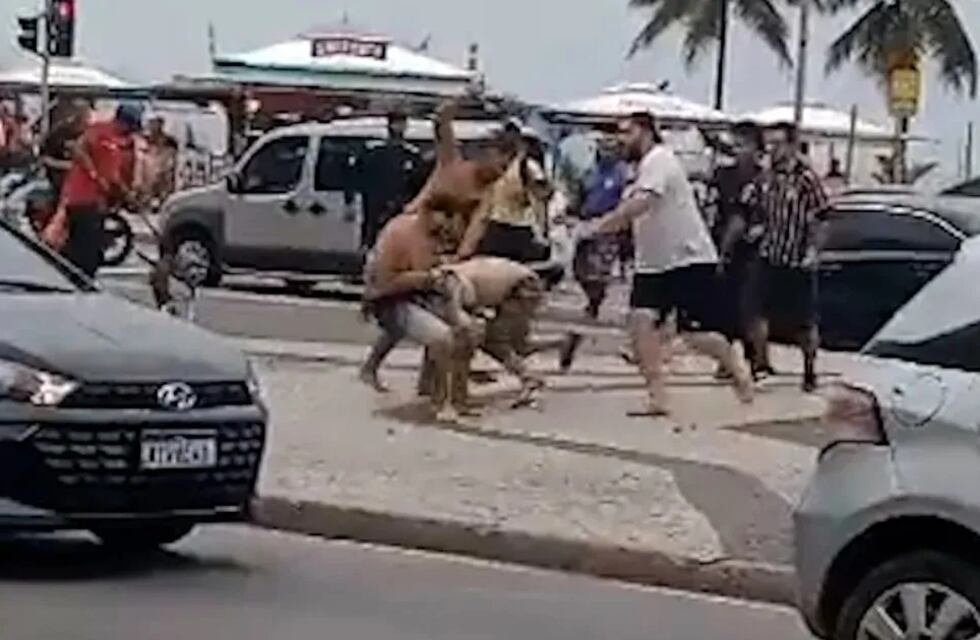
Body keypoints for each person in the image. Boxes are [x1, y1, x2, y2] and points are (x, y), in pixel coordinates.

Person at [572, 112, 754, 416]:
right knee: (639, 326)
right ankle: (657, 396)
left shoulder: (660, 160)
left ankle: (732, 361)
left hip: (686, 257)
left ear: (645, 132)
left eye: (626, 132)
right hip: (652, 262)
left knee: (694, 335)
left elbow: (642, 203)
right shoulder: (636, 169)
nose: (620, 139)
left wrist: (600, 226)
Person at [359, 100, 515, 399]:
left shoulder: (486, 194)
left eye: (508, 167)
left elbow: (475, 230)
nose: (502, 171)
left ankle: (423, 381)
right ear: (487, 154)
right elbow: (442, 123)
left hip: (437, 253)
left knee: (431, 315)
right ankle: (381, 370)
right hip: (404, 239)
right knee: (398, 308)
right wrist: (461, 103)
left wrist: (457, 263)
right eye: (501, 163)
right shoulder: (452, 163)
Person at [362, 209, 475, 422]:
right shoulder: (399, 232)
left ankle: (450, 394)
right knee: (440, 337)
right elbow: (384, 282)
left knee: (468, 330)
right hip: (390, 298)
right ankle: (440, 399)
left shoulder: (439, 234)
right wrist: (425, 278)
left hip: (422, 295)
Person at [742, 122, 830, 393]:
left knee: (804, 321)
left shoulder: (806, 179)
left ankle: (809, 370)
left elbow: (821, 218)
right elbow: (752, 206)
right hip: (769, 254)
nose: (772, 149)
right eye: (770, 144)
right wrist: (755, 227)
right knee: (754, 310)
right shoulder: (766, 178)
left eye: (778, 144)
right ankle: (759, 363)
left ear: (791, 145)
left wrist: (813, 250)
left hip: (797, 258)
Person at [55, 102, 142, 278]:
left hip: (87, 200)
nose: (130, 132)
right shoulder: (103, 135)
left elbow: (114, 176)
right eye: (130, 127)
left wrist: (126, 195)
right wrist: (96, 175)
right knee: (85, 252)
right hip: (85, 199)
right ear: (122, 122)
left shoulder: (112, 137)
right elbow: (110, 176)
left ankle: (68, 278)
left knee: (79, 246)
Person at [710, 120, 765, 379]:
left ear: (756, 148)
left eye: (744, 144)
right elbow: (713, 207)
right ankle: (727, 359)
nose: (738, 150)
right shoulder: (723, 175)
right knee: (724, 305)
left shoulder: (764, 178)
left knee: (749, 307)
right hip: (721, 243)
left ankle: (755, 360)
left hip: (752, 250)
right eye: (736, 144)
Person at [455, 122, 552, 263]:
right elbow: (484, 211)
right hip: (499, 230)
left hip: (517, 231)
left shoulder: (527, 166)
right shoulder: (493, 168)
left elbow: (541, 198)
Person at [571, 132, 630, 319]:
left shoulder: (622, 173)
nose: (606, 153)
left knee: (599, 267)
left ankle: (595, 301)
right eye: (603, 148)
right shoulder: (591, 171)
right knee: (578, 266)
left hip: (610, 224)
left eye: (610, 149)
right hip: (587, 221)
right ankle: (591, 295)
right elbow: (580, 193)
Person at [358, 109, 425, 250]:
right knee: (374, 242)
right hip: (376, 205)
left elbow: (418, 182)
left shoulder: (412, 154)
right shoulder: (374, 151)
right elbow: (361, 177)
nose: (399, 128)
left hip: (401, 207)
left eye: (402, 124)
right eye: (396, 123)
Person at [40, 99, 93, 203]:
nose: (88, 119)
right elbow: (45, 158)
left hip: (82, 185)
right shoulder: (58, 134)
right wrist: (65, 165)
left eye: (88, 115)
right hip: (57, 181)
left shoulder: (90, 135)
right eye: (85, 115)